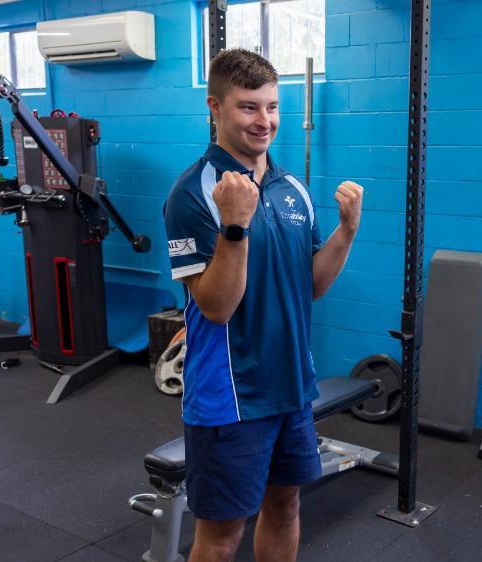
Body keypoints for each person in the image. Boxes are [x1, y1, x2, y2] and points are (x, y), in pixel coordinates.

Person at [162, 49, 363, 562]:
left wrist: (346, 232)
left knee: (287, 507)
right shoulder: (193, 193)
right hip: (231, 396)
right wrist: (235, 225)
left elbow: (311, 285)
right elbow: (215, 307)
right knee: (221, 535)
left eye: (272, 106)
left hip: (291, 386)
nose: (265, 121)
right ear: (216, 107)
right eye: (249, 107)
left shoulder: (291, 187)